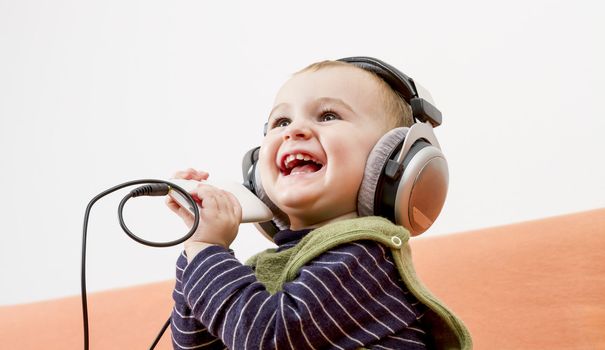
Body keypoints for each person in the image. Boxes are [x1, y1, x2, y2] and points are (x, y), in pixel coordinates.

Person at [166, 58, 471, 349]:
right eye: (281, 121)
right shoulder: (263, 268)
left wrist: (209, 250)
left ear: (389, 161)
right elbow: (196, 346)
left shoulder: (365, 256)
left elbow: (270, 338)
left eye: (328, 116)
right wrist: (196, 246)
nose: (293, 130)